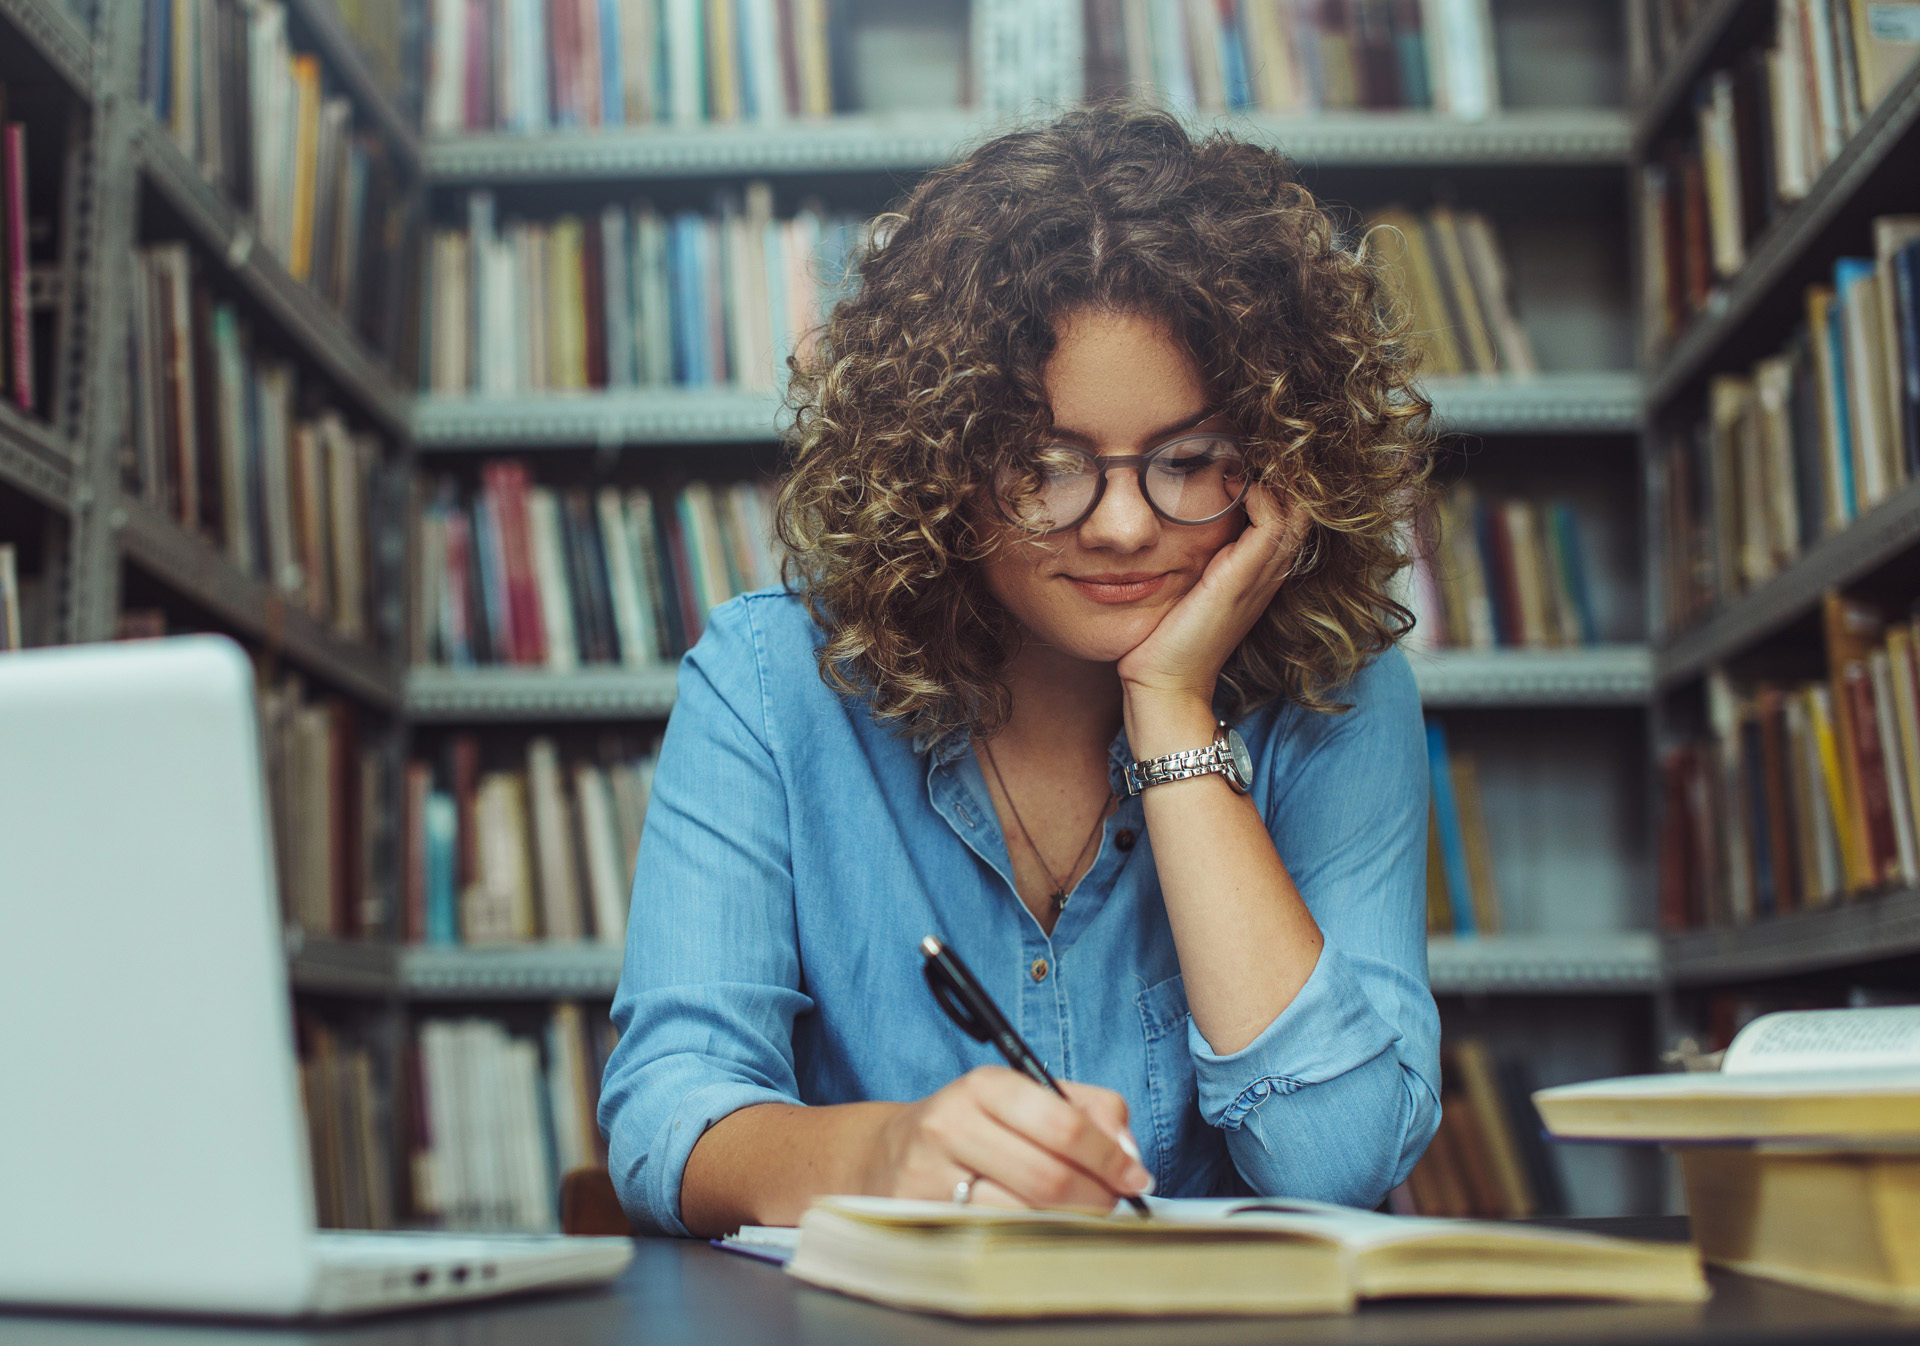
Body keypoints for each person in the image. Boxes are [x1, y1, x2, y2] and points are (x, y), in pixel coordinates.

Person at [599, 105, 1441, 1238]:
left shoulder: (1341, 685)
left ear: (1280, 465)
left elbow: (1335, 1157)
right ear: (941, 461)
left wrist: (1172, 707)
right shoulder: (770, 680)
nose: (1126, 526)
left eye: (1191, 461)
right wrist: (887, 1149)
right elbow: (667, 1111)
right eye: (1049, 466)